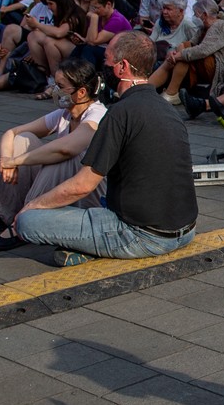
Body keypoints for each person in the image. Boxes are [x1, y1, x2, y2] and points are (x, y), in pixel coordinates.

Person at [14, 32, 197, 268]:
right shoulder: (166, 108)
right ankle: (91, 245)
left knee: (27, 222)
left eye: (106, 61)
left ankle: (97, 246)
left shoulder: (120, 113)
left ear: (122, 67)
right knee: (97, 204)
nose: (103, 68)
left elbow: (82, 185)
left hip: (143, 235)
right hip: (185, 228)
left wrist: (32, 206)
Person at [0, 56, 109, 253]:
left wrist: (16, 161)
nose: (54, 90)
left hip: (90, 196)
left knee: (60, 156)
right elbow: (12, 133)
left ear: (81, 92)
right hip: (65, 188)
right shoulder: (65, 114)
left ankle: (23, 221)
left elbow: (68, 148)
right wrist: (7, 160)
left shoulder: (97, 115)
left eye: (60, 86)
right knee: (23, 139)